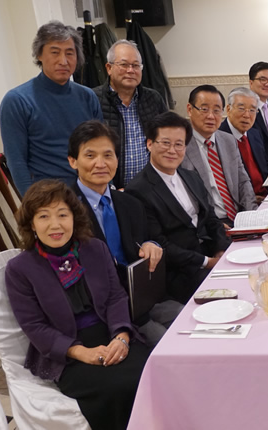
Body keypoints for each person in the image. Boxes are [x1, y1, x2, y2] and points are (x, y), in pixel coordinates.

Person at [5, 179, 150, 430]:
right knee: (116, 388)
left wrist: (121, 336)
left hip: (111, 333)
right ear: (31, 224)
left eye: (63, 214)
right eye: (44, 216)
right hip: (66, 353)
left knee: (149, 372)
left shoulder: (95, 248)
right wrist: (82, 352)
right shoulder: (19, 269)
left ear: (74, 217)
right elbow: (34, 326)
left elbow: (116, 297)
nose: (55, 224)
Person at [67, 120, 181, 346]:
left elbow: (144, 241)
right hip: (101, 311)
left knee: (189, 320)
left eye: (108, 155)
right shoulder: (64, 210)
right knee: (169, 345)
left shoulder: (130, 203)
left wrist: (150, 245)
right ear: (73, 161)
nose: (100, 164)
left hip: (143, 299)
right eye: (90, 156)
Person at [126, 112, 231, 303]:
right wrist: (207, 262)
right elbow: (161, 244)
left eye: (179, 144)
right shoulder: (138, 190)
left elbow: (211, 217)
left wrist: (220, 250)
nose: (172, 150)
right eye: (165, 143)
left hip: (211, 254)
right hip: (181, 273)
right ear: (149, 144)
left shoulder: (190, 176)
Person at [0, 21, 103, 194]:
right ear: (39, 54)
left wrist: (106, 190)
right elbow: (16, 161)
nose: (63, 61)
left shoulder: (87, 96)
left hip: (91, 192)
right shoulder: (17, 101)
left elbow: (101, 148)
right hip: (49, 197)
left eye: (69, 53)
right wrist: (34, 203)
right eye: (55, 52)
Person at [93, 40, 168, 188]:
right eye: (124, 64)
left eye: (135, 65)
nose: (130, 70)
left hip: (151, 187)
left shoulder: (153, 98)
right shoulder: (93, 99)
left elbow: (167, 138)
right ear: (109, 68)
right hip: (109, 189)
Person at [181, 85, 257, 226]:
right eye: (204, 109)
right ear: (190, 110)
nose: (211, 116)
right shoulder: (180, 146)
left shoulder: (228, 140)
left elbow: (243, 182)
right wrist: (213, 227)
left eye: (216, 110)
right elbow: (184, 199)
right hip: (210, 224)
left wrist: (252, 214)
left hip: (239, 218)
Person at [219, 87, 268, 197]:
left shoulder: (254, 133)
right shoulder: (218, 139)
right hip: (244, 200)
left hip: (266, 194)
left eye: (252, 110)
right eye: (241, 109)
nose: (247, 115)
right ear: (228, 109)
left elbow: (265, 168)